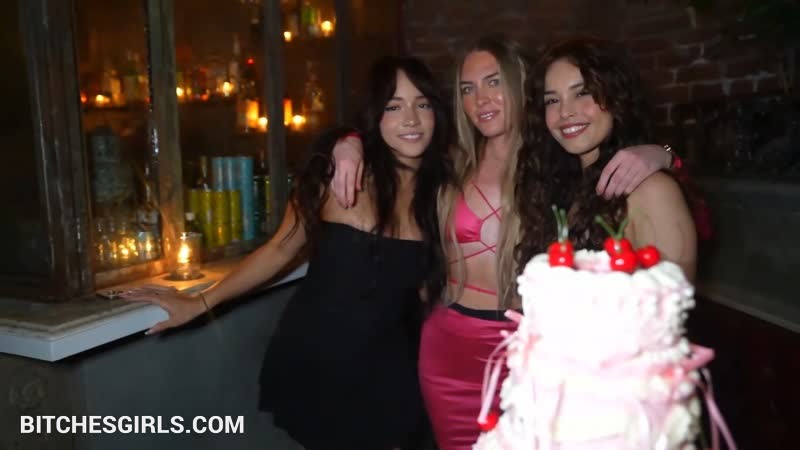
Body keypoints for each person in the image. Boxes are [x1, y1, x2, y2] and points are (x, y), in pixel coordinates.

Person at [329, 34, 677, 450]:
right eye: (467, 89)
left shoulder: (558, 159)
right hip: (448, 347)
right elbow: (389, 136)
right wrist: (347, 143)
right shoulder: (451, 160)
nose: (481, 99)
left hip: (529, 350)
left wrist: (664, 153)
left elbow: (621, 158)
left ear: (519, 84)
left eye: (493, 82)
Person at [122, 56, 451, 450]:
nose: (411, 119)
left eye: (422, 104)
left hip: (391, 369)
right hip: (318, 362)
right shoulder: (339, 177)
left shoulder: (442, 193)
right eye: (394, 107)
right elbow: (279, 248)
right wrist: (200, 302)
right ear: (375, 116)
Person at [515, 36, 696, 280]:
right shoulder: (557, 187)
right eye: (553, 100)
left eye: (583, 93)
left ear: (616, 96)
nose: (565, 112)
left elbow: (672, 298)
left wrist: (668, 155)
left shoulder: (652, 190)